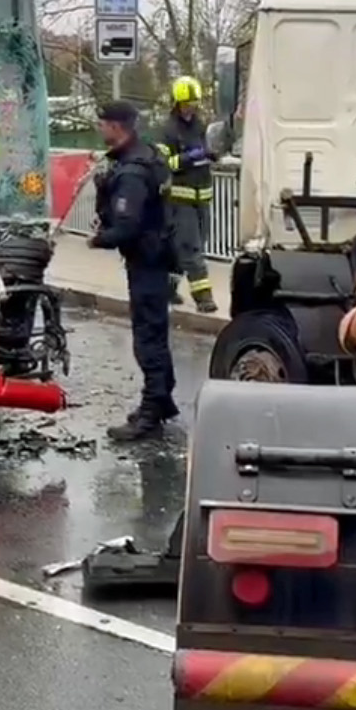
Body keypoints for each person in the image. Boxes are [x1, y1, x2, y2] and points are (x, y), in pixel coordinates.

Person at [88, 101, 179, 441]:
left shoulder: (132, 172)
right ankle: (163, 400)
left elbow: (127, 226)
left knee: (148, 338)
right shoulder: (147, 154)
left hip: (147, 261)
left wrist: (98, 240)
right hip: (159, 256)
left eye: (103, 123)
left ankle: (150, 413)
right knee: (156, 330)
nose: (100, 129)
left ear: (116, 126)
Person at [157, 76, 218, 314]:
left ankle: (167, 290)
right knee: (191, 249)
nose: (191, 107)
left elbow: (210, 148)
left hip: (202, 197)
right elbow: (162, 163)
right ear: (177, 103)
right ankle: (204, 298)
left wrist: (212, 153)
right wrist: (186, 158)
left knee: (184, 249)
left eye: (194, 103)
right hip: (179, 199)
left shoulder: (201, 126)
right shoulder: (168, 130)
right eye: (186, 103)